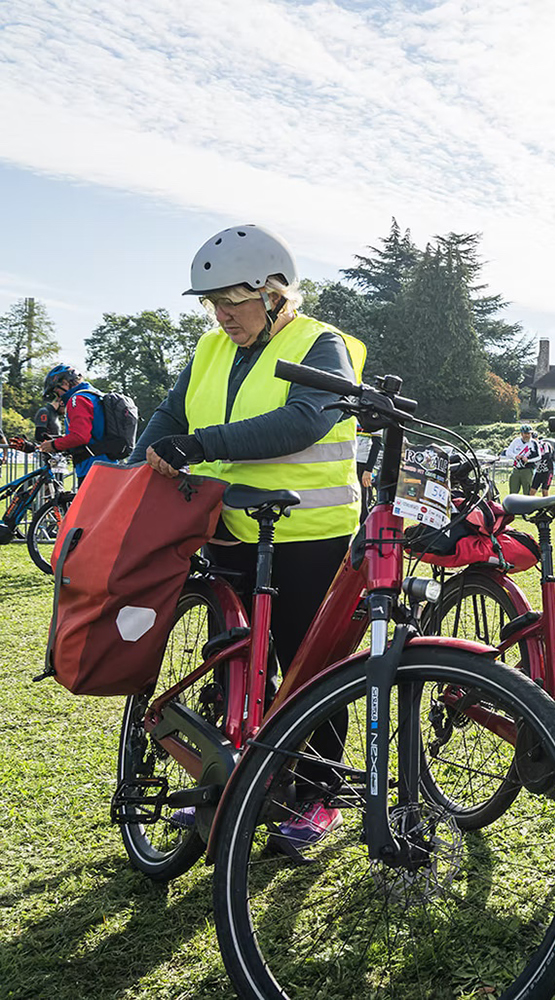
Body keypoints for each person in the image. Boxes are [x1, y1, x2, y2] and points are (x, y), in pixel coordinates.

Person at [133, 223, 366, 852]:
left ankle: (319, 795)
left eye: (233, 301)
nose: (222, 316)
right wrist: (141, 457)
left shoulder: (321, 343)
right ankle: (232, 777)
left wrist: (202, 446)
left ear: (273, 292)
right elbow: (170, 413)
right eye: (213, 304)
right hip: (226, 526)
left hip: (307, 535)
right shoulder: (211, 349)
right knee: (230, 656)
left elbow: (303, 422)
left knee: (307, 666)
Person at [35, 365, 109, 482]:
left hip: (91, 467)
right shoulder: (95, 395)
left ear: (65, 383)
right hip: (108, 464)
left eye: (56, 391)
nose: (58, 397)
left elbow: (80, 437)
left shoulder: (78, 398)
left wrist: (54, 445)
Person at [504, 425, 540, 495]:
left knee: (527, 491)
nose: (527, 435)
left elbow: (538, 456)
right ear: (521, 434)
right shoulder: (516, 441)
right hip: (516, 469)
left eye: (529, 434)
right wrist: (515, 456)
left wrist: (528, 460)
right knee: (513, 491)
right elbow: (508, 452)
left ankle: (527, 505)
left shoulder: (534, 443)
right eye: (525, 433)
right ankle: (513, 505)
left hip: (527, 470)